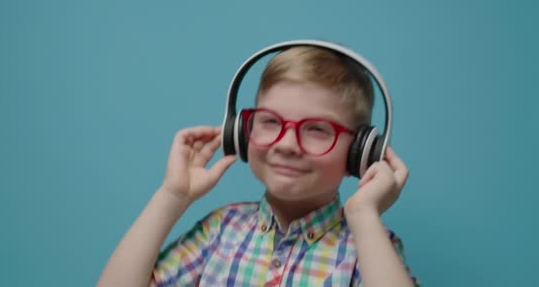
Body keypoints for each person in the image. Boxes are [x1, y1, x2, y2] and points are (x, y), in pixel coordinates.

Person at [98, 45, 419, 286]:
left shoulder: (370, 247)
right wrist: (171, 196)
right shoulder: (220, 230)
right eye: (270, 122)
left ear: (361, 154)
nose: (287, 145)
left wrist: (365, 216)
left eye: (318, 129)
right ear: (241, 132)